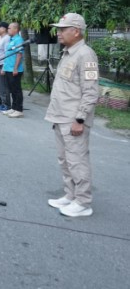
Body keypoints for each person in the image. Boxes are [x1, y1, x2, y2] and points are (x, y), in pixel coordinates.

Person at [45, 13, 99, 217]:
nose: (58, 33)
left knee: (77, 161)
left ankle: (83, 202)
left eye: (62, 29)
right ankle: (70, 195)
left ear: (76, 31)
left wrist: (80, 119)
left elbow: (91, 91)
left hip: (74, 119)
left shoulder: (85, 54)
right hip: (60, 116)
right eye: (58, 29)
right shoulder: (68, 53)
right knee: (64, 159)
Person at [1, 23, 25, 118]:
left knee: (16, 90)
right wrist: (4, 68)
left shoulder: (19, 40)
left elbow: (19, 55)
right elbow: (7, 55)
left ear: (15, 29)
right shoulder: (11, 39)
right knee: (11, 89)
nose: (8, 30)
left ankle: (19, 109)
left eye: (9, 28)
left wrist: (15, 68)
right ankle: (13, 108)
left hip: (14, 70)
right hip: (8, 68)